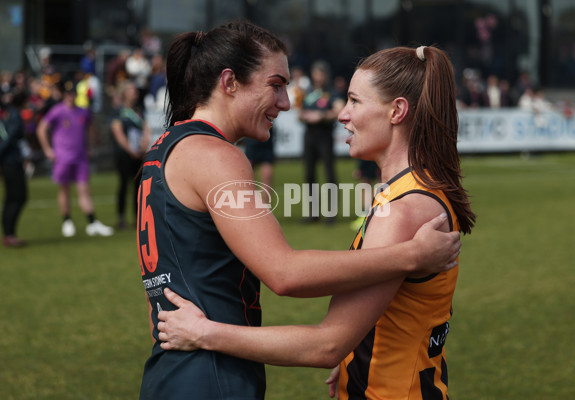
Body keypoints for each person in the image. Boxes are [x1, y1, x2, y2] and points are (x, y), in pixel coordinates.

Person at [136, 21, 461, 400]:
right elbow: (285, 273)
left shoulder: (163, 148)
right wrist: (412, 255)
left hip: (169, 369)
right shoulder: (217, 156)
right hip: (211, 373)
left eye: (355, 101)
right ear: (230, 82)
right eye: (275, 85)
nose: (286, 102)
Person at [36, 79, 113, 238]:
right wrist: (48, 149)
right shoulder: (57, 111)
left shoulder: (83, 112)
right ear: (64, 95)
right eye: (68, 94)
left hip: (80, 157)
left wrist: (90, 147)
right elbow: (41, 129)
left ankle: (92, 222)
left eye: (73, 94)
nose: (71, 97)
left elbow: (90, 130)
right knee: (64, 189)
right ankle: (67, 220)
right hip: (62, 157)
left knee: (84, 190)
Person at [299, 60, 341, 223]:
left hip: (325, 135)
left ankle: (331, 214)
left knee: (329, 173)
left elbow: (338, 110)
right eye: (315, 73)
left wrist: (321, 116)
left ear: (325, 75)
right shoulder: (308, 92)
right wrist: (304, 115)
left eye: (320, 73)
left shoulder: (332, 92)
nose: (318, 76)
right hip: (310, 135)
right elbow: (300, 113)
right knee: (309, 174)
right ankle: (313, 213)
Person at [110, 80, 150, 229]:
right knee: (123, 185)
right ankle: (121, 218)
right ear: (125, 92)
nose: (135, 92)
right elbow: (117, 131)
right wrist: (130, 149)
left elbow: (146, 128)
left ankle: (138, 217)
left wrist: (144, 145)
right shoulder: (119, 111)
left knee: (139, 186)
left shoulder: (138, 110)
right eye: (132, 90)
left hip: (139, 153)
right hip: (124, 154)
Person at [0, 91, 28, 247]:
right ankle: (9, 234)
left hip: (9, 161)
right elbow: (8, 139)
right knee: (17, 197)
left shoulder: (8, 114)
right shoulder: (14, 116)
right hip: (11, 161)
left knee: (12, 197)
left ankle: (8, 233)